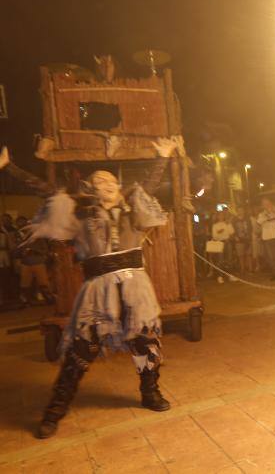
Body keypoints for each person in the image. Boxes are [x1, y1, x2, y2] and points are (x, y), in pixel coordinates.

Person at [0, 139, 177, 439]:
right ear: (89, 188)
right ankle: (54, 411)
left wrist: (162, 157)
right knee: (82, 351)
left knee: (145, 345)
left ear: (118, 186)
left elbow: (150, 184)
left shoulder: (134, 208)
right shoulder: (81, 214)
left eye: (110, 180)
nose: (106, 183)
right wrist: (9, 167)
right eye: (98, 181)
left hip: (137, 289)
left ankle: (150, 393)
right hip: (98, 292)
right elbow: (47, 191)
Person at [210, 210, 235, 282]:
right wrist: (219, 233)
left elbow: (232, 232)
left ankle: (230, 275)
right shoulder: (215, 225)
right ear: (217, 217)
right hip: (219, 243)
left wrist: (229, 224)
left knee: (229, 260)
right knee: (220, 260)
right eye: (219, 215)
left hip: (227, 243)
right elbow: (214, 236)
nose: (221, 216)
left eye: (222, 215)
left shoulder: (226, 223)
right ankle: (220, 276)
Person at [233, 207, 254, 274]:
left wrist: (250, 237)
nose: (240, 211)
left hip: (247, 239)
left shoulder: (248, 219)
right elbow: (232, 229)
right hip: (238, 240)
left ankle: (250, 268)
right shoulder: (234, 220)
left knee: (248, 254)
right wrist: (235, 236)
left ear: (244, 211)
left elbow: (251, 228)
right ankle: (242, 268)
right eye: (239, 210)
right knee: (240, 255)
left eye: (242, 210)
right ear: (237, 211)